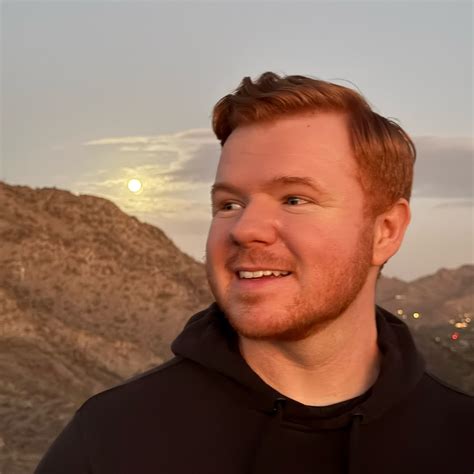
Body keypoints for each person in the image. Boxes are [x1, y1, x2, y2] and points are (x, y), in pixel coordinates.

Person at [35, 72, 473, 474]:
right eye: (229, 204)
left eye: (294, 199)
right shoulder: (113, 442)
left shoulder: (459, 441)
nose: (245, 229)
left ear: (385, 231)